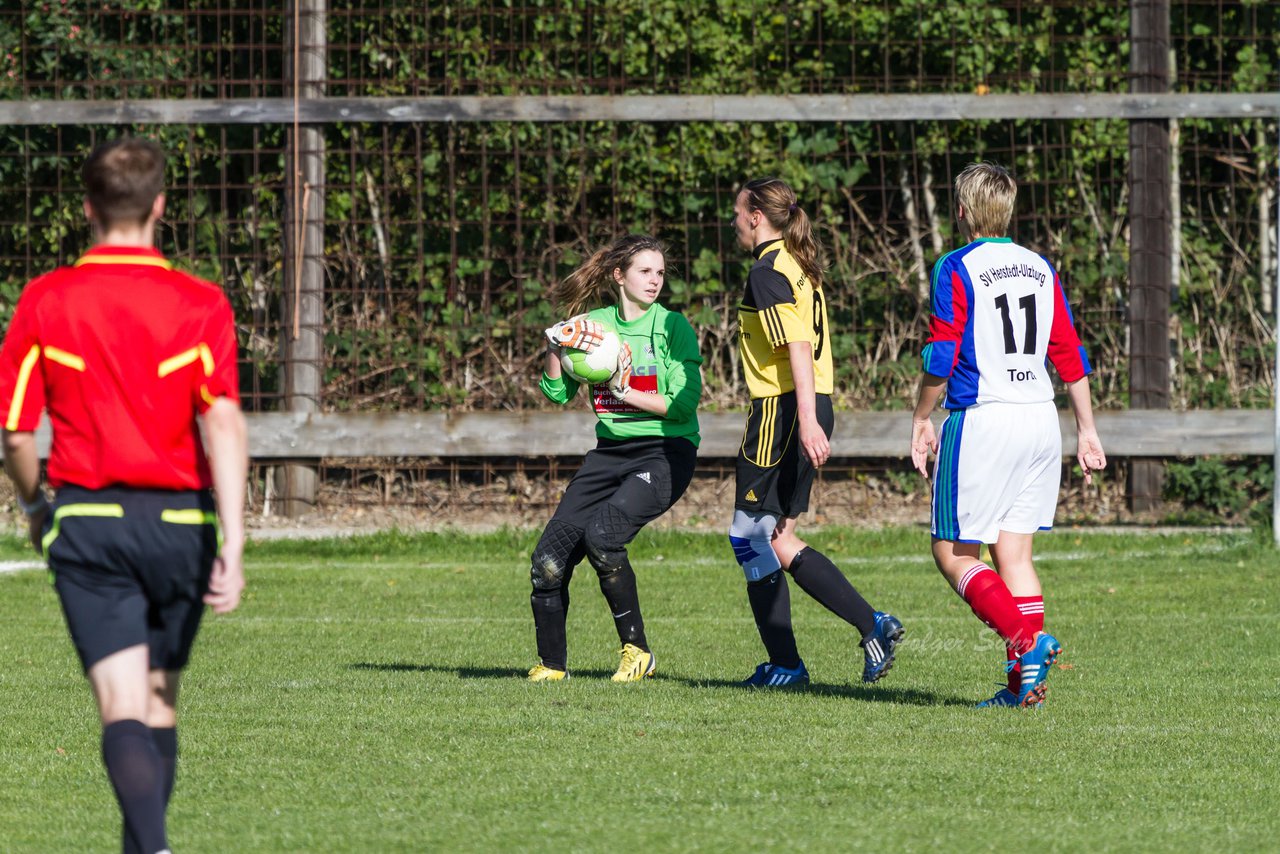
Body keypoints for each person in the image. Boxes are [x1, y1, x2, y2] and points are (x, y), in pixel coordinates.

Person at [0, 137, 248, 853]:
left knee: (121, 706)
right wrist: (232, 538)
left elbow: (17, 433)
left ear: (87, 208)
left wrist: (34, 507)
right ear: (160, 206)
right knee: (159, 700)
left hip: (90, 524)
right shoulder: (200, 302)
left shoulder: (47, 300)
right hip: (181, 526)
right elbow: (224, 420)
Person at [910, 161, 1106, 708]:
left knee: (952, 552)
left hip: (985, 419)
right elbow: (1068, 352)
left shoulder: (956, 265)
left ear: (963, 211)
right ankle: (1027, 688)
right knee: (1013, 555)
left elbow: (943, 353)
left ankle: (1028, 643)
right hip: (1042, 420)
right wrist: (1087, 430)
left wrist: (922, 417)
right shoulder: (1040, 266)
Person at [728, 177, 903, 688]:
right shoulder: (799, 265)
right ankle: (874, 625)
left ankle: (786, 666)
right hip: (809, 404)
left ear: (757, 216)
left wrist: (804, 419)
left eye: (739, 213)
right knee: (777, 536)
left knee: (747, 536)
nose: (734, 221)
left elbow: (797, 348)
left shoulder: (768, 271)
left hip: (783, 412)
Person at [528, 234, 702, 683]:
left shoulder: (672, 327)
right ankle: (551, 666)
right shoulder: (594, 327)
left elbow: (683, 405)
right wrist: (555, 348)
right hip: (609, 455)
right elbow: (558, 393)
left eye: (660, 272)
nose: (655, 280)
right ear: (617, 276)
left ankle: (637, 652)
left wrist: (628, 392)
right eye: (645, 271)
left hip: (665, 453)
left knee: (604, 537)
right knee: (547, 560)